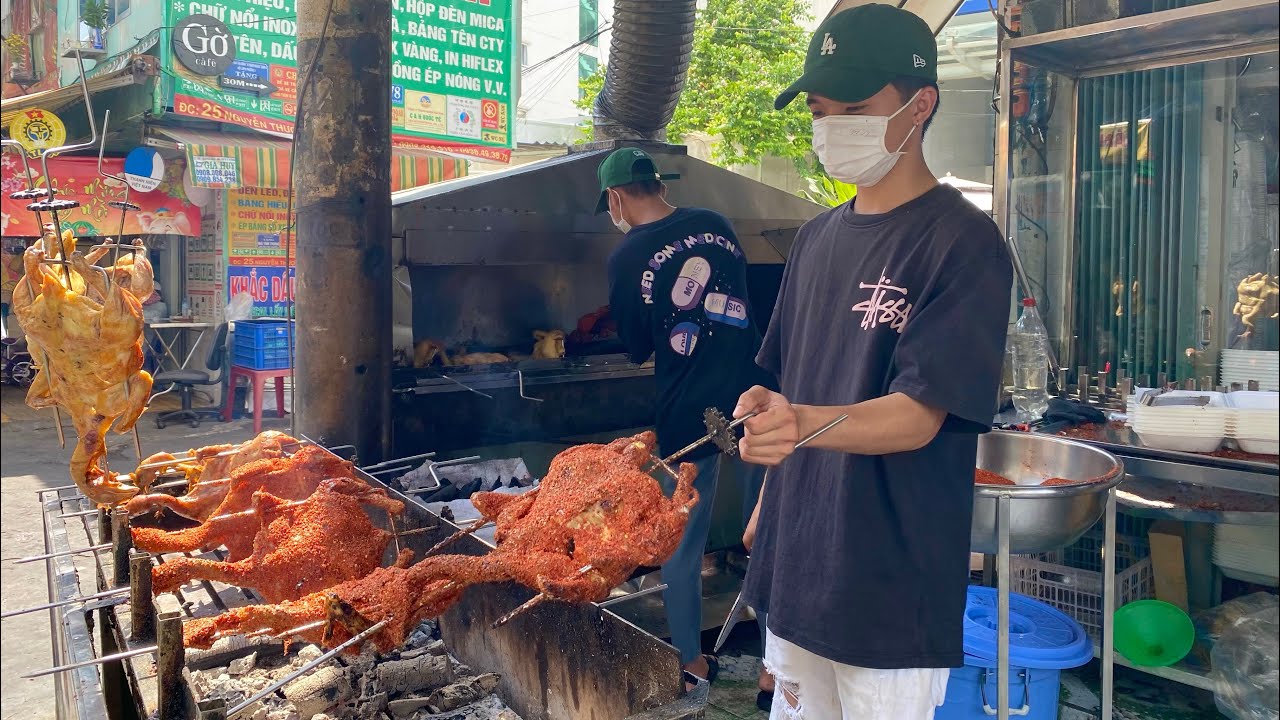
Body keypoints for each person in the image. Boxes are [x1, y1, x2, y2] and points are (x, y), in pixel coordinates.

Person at [732, 6, 1014, 719]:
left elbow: (918, 415)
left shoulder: (965, 244)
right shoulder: (816, 238)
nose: (833, 128)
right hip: (798, 561)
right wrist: (770, 483)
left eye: (855, 107)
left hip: (891, 581)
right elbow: (784, 382)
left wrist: (797, 426)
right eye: (822, 111)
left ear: (921, 105)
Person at [597, 147, 777, 689]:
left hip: (686, 406)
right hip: (757, 391)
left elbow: (633, 347)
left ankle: (690, 663)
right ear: (659, 184)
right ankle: (775, 668)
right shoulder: (714, 222)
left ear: (615, 198)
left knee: (684, 539)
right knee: (764, 530)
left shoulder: (627, 257)